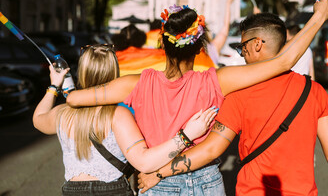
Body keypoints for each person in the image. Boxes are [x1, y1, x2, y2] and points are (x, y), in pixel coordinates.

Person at [66, 0, 328, 195]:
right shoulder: (218, 80)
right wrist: (319, 16)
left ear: (164, 44)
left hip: (157, 183)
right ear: (200, 47)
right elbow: (284, 62)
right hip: (207, 183)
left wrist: (58, 87)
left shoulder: (135, 84)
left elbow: (75, 99)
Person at [137, 12, 328, 196]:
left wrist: (159, 173)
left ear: (257, 44)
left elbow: (212, 149)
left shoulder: (239, 94)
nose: (242, 55)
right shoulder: (314, 91)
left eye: (243, 47)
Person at [33, 44, 218, 196]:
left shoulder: (63, 113)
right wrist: (187, 135)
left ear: (81, 71)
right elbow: (144, 162)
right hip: (112, 191)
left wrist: (53, 86)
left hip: (71, 191)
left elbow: (38, 119)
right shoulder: (118, 115)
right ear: (114, 72)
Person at [207, 0, 235, 65]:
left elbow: (225, 26)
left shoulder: (189, 51)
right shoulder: (213, 48)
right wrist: (228, 4)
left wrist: (228, 4)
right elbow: (226, 26)